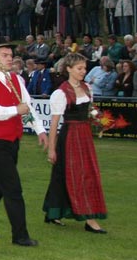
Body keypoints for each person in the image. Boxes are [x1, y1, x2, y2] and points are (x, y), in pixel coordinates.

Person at [0, 36, 48, 247]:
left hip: (12, 140)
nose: (9, 58)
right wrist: (16, 110)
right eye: (4, 55)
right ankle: (20, 235)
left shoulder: (17, 80)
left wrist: (40, 130)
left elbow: (28, 107)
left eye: (11, 55)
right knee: (13, 188)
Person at [42, 53, 108, 235]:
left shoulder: (87, 89)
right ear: (69, 69)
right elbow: (54, 124)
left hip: (85, 136)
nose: (83, 71)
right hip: (70, 137)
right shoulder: (61, 93)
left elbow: (91, 111)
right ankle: (90, 219)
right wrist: (52, 149)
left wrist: (98, 121)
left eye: (84, 68)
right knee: (78, 175)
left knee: (67, 174)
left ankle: (53, 211)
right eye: (79, 68)